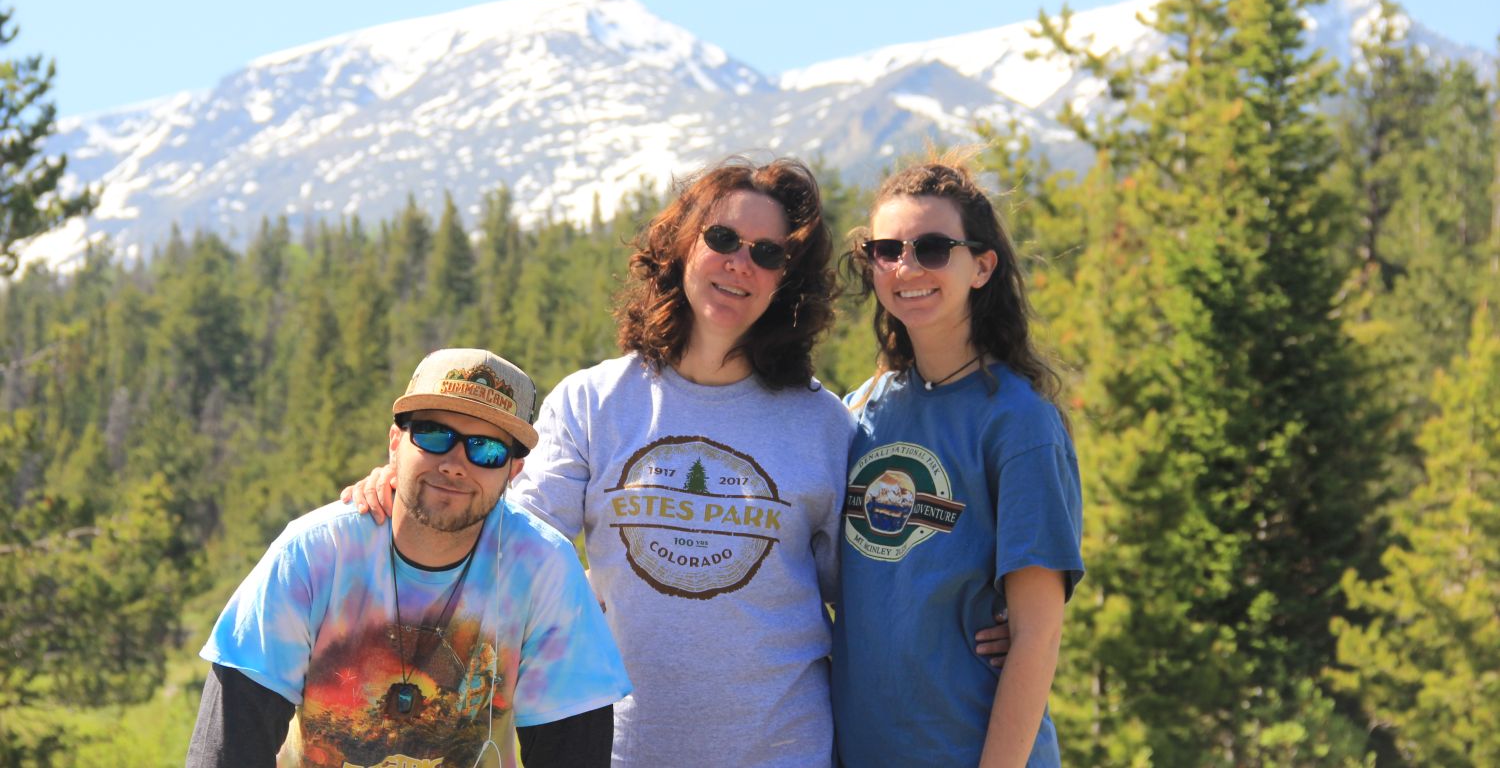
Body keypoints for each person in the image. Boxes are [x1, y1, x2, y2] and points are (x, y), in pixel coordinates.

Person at [348, 157, 856, 767]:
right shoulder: (594, 402)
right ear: (681, 246)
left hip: (784, 751)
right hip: (623, 751)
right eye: (721, 238)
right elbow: (509, 542)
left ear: (786, 279)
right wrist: (411, 488)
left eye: (767, 253)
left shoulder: (823, 424)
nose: (740, 263)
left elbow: (864, 594)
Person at [187, 347, 631, 768]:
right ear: (396, 443)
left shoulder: (544, 571)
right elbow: (227, 748)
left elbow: (572, 753)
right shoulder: (313, 554)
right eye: (435, 436)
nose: (457, 463)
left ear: (513, 472)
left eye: (487, 450)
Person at [831, 155, 1084, 767]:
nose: (907, 267)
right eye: (888, 249)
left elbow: (1035, 635)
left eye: (934, 248)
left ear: (982, 266)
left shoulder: (1020, 423)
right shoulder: (857, 412)